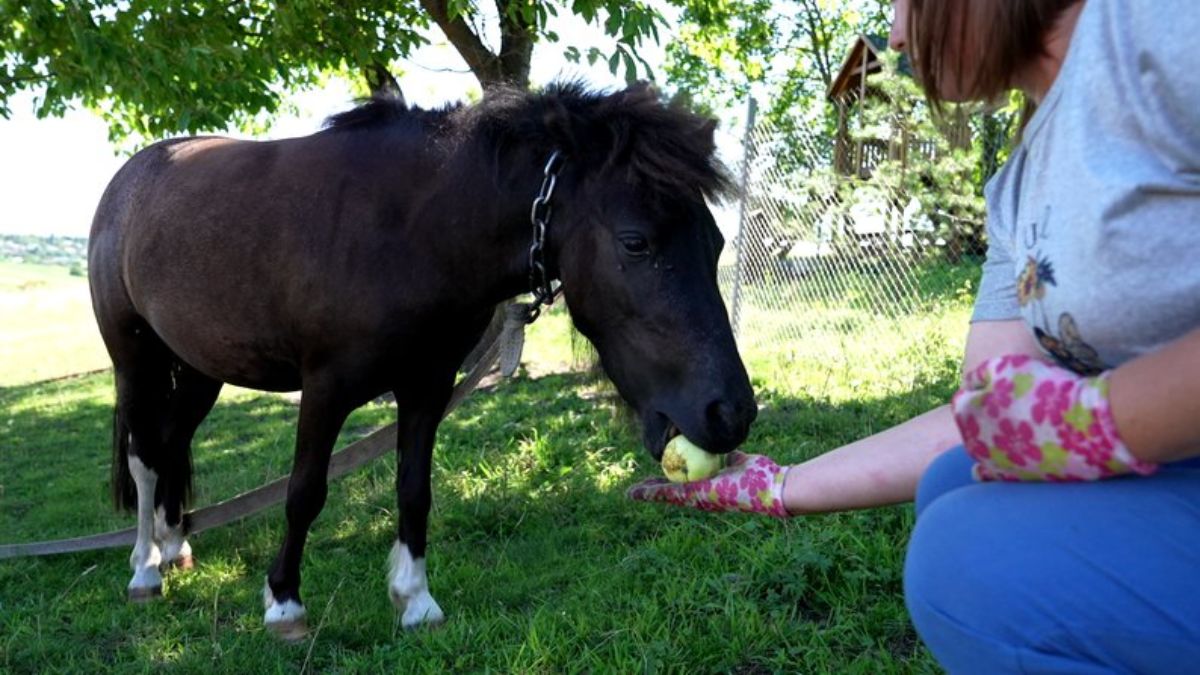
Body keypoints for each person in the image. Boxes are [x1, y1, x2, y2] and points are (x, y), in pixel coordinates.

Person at [628, 0, 1200, 670]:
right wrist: (780, 485)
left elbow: (1057, 423)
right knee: (953, 484)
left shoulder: (1153, 27)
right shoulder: (1019, 187)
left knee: (964, 563)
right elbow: (988, 416)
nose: (897, 36)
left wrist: (1096, 420)